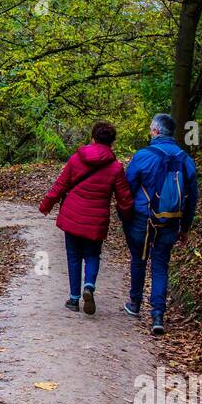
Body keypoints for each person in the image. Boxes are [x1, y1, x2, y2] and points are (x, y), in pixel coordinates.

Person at [39, 122, 133, 315]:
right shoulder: (115, 168)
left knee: (73, 257)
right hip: (96, 219)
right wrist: (128, 216)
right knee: (92, 255)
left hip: (72, 216)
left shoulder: (76, 160)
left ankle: (74, 299)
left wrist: (46, 205)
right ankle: (88, 287)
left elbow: (60, 186)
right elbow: (124, 197)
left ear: (92, 138)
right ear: (112, 143)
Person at [123, 113, 199, 336]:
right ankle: (157, 314)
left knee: (139, 259)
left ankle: (135, 303)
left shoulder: (143, 156)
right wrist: (185, 227)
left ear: (155, 131)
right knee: (160, 265)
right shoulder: (185, 159)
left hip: (142, 218)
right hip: (172, 220)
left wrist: (125, 217)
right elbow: (191, 197)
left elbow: (128, 187)